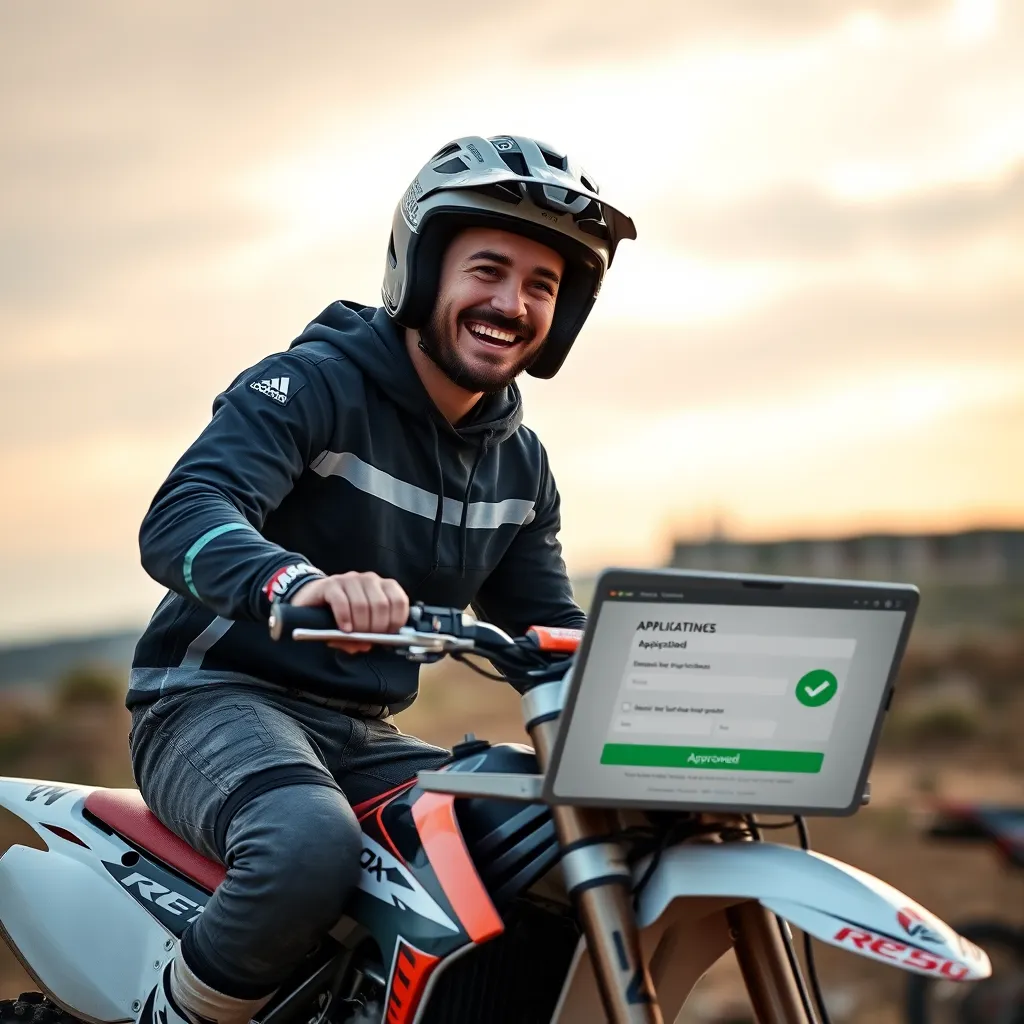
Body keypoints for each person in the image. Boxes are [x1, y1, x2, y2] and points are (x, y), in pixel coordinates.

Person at [128, 134, 636, 1024]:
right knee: (303, 846)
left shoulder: (522, 469)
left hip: (359, 734)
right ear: (422, 268)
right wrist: (294, 584)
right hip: (208, 702)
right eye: (488, 269)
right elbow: (183, 512)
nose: (511, 303)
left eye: (543, 286)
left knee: (527, 834)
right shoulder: (311, 385)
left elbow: (550, 636)